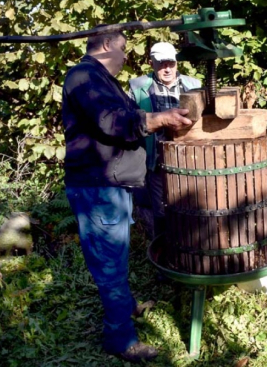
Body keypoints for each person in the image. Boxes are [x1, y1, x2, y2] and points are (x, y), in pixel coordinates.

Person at [62, 28, 192, 362]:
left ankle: (126, 308)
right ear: (106, 45)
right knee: (109, 264)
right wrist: (160, 118)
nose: (125, 57)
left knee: (116, 254)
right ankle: (120, 340)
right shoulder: (85, 77)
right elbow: (111, 121)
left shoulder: (98, 78)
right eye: (122, 50)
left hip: (112, 185)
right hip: (97, 188)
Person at [128, 42, 201, 239]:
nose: (167, 68)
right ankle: (165, 252)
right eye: (161, 64)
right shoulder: (138, 87)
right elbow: (130, 123)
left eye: (170, 62)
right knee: (161, 210)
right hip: (156, 161)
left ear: (177, 62)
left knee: (192, 206)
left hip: (190, 160)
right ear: (151, 63)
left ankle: (191, 246)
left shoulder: (193, 85)